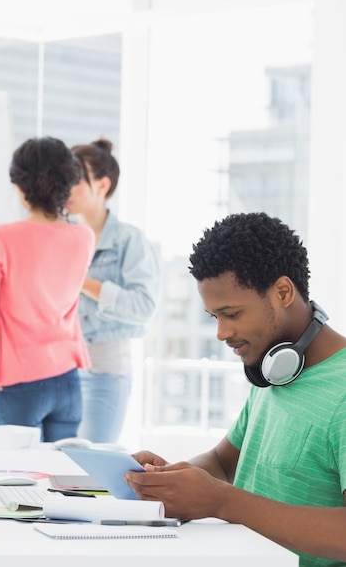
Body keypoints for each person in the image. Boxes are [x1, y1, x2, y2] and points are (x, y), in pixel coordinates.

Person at [125, 212, 346, 567]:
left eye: (232, 313)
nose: (222, 333)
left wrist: (222, 501)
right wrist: (170, 480)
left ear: (283, 292)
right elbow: (222, 463)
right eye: (215, 317)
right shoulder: (275, 369)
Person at [0, 136, 95, 442]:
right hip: (67, 383)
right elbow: (38, 254)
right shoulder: (84, 237)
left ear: (20, 188)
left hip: (14, 387)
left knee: (11, 487)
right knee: (61, 485)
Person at [65, 138, 160, 443]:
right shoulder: (60, 236)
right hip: (59, 372)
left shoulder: (129, 240)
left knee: (88, 472)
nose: (66, 187)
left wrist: (82, 281)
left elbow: (143, 307)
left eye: (76, 180)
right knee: (56, 467)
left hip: (104, 373)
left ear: (102, 185)